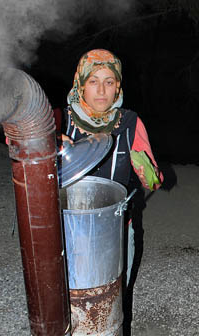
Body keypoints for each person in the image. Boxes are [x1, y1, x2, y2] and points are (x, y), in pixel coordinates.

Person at [63, 48, 162, 284]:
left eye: (109, 82)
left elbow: (154, 180)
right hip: (69, 227)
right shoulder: (59, 120)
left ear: (117, 86)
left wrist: (147, 171)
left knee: (114, 290)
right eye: (93, 81)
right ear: (81, 84)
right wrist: (50, 142)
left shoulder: (130, 122)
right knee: (71, 289)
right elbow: (15, 136)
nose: (101, 90)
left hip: (116, 225)